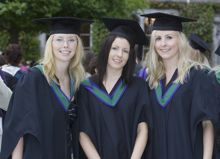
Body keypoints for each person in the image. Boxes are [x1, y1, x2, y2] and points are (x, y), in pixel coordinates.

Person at [0, 17, 92, 159]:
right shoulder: (34, 78)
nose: (66, 45)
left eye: (71, 40)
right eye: (59, 39)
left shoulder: (78, 82)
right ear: (51, 44)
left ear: (78, 45)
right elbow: (17, 127)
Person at [141, 12, 217, 159]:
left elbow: (207, 124)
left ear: (180, 40)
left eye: (169, 37)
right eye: (158, 38)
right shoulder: (151, 81)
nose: (163, 44)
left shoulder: (198, 76)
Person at [78, 17, 151, 159]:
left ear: (130, 55)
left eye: (125, 51)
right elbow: (82, 131)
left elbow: (143, 127)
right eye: (115, 48)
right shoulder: (87, 88)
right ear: (106, 50)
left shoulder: (138, 86)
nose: (119, 55)